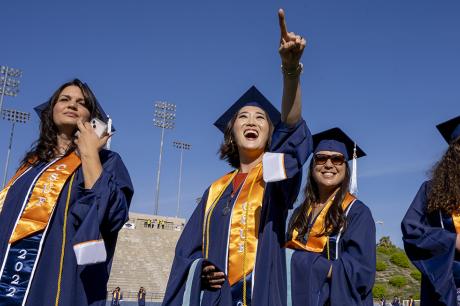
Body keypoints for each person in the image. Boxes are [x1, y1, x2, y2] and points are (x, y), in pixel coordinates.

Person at [162, 9, 311, 306]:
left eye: (261, 118)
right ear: (231, 133)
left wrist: (290, 71)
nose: (252, 121)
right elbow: (186, 251)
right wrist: (200, 269)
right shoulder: (215, 191)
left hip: (262, 292)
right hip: (217, 299)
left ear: (272, 134)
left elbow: (293, 130)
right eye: (243, 116)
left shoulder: (273, 176)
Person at [0, 79, 134, 306]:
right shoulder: (29, 167)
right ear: (51, 110)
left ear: (91, 118)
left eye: (81, 103)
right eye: (65, 99)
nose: (72, 105)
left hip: (60, 280)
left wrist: (90, 153)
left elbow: (112, 217)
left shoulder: (107, 161)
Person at [284, 128, 376, 305]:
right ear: (312, 166)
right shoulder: (299, 213)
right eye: (321, 158)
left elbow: (361, 273)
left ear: (345, 168)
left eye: (337, 159)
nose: (328, 164)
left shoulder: (357, 212)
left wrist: (308, 263)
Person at [402, 115, 460, 306]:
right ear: (453, 152)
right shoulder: (431, 190)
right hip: (445, 285)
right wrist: (452, 241)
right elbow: (412, 230)